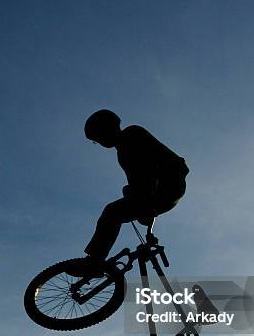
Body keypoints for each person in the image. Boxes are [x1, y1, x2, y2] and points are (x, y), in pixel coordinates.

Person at [69, 109, 189, 277]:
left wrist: (141, 194)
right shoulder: (123, 151)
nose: (100, 142)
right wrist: (134, 195)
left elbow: (153, 168)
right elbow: (139, 178)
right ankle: (96, 260)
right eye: (96, 140)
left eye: (98, 136)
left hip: (167, 186)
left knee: (112, 212)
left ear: (108, 128)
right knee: (115, 210)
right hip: (162, 190)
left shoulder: (132, 135)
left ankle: (95, 261)